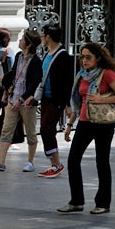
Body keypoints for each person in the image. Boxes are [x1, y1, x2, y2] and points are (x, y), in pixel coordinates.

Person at [57, 41, 115, 214]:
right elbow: (79, 103)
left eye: (88, 57)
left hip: (103, 124)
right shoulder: (82, 75)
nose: (84, 61)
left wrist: (101, 99)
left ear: (98, 58)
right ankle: (76, 201)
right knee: (73, 160)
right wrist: (69, 125)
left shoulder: (107, 74)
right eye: (82, 57)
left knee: (102, 162)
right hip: (85, 122)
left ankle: (103, 203)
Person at [0, 28, 42, 173]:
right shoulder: (18, 56)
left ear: (28, 44)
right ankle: (1, 161)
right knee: (6, 130)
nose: (20, 40)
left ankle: (30, 162)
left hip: (27, 103)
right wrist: (6, 91)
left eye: (23, 39)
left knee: (30, 131)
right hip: (12, 99)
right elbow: (13, 76)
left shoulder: (36, 61)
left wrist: (22, 99)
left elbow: (34, 83)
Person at [36, 23, 74, 178]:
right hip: (46, 98)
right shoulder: (47, 53)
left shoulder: (63, 56)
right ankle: (54, 164)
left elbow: (67, 81)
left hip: (56, 100)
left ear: (48, 37)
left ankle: (56, 164)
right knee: (47, 129)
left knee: (46, 128)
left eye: (42, 35)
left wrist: (67, 104)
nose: (41, 38)